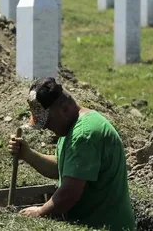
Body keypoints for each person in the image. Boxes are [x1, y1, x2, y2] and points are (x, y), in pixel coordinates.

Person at [8, 77, 135, 231]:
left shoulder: (83, 135)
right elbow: (63, 168)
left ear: (64, 109)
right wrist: (26, 154)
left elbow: (69, 193)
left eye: (48, 121)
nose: (46, 128)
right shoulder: (71, 128)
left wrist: (40, 212)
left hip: (107, 226)